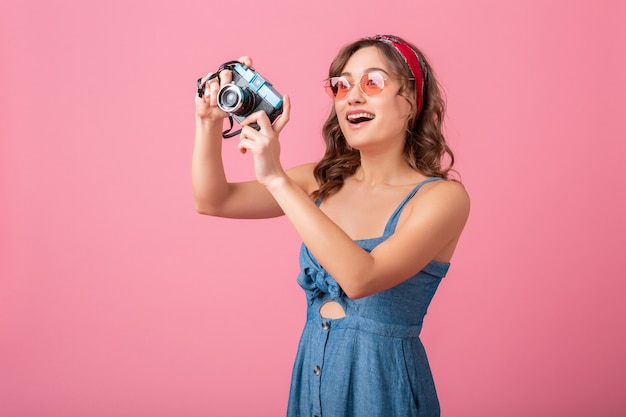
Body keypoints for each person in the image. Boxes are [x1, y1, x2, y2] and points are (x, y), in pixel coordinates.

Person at [193, 34, 470, 417]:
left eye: (372, 82)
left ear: (410, 101)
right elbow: (213, 200)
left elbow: (360, 278)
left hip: (384, 390)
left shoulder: (441, 199)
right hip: (313, 378)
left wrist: (276, 178)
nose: (352, 96)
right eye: (341, 86)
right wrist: (208, 123)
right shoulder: (319, 180)